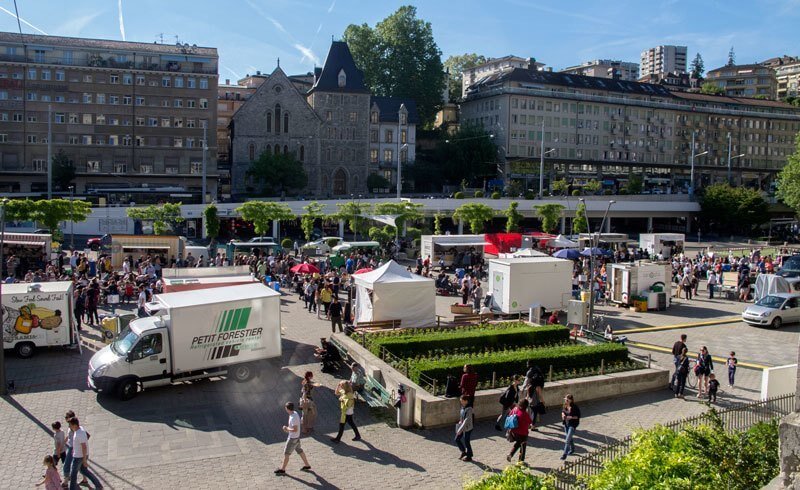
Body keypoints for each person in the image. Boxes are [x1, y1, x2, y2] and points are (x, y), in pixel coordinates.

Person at [274, 402, 311, 476]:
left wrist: (286, 429)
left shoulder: (293, 417)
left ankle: (282, 469)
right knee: (300, 451)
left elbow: (295, 429)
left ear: (287, 409)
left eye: (285, 408)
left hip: (292, 439)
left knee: (286, 454)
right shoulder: (294, 413)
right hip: (296, 438)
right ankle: (307, 465)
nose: (285, 409)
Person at [67, 417, 103, 490]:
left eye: (70, 425)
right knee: (84, 471)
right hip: (81, 455)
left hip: (78, 457)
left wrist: (84, 460)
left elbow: (84, 447)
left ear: (74, 425)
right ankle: (98, 486)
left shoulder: (78, 434)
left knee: (73, 475)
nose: (69, 427)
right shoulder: (80, 429)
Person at [506, 399, 532, 463]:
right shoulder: (524, 414)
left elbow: (509, 415)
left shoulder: (514, 409)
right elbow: (530, 422)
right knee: (523, 447)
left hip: (514, 431)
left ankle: (510, 454)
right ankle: (521, 462)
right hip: (522, 433)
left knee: (518, 443)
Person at [560, 394, 581, 460]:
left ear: (571, 400)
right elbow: (563, 412)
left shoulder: (575, 407)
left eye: (567, 400)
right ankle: (573, 449)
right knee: (569, 438)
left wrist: (570, 417)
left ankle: (564, 454)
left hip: (572, 425)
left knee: (567, 439)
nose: (566, 401)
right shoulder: (565, 405)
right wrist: (563, 415)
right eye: (565, 400)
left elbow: (578, 416)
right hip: (566, 424)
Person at [455, 395, 474, 462]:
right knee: (457, 439)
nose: (461, 402)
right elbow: (462, 417)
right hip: (462, 426)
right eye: (460, 401)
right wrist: (460, 421)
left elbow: (466, 420)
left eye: (462, 401)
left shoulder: (469, 409)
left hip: (468, 428)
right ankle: (463, 451)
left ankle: (469, 456)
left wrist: (460, 429)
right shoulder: (463, 407)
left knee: (466, 442)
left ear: (466, 401)